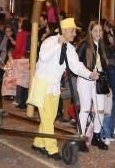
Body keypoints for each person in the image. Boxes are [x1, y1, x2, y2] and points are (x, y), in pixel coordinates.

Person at [27, 18, 98, 160]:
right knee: (47, 118)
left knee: (50, 118)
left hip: (54, 86)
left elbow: (76, 66)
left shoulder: (70, 49)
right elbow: (43, 57)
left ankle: (39, 142)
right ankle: (51, 148)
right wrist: (58, 45)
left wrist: (89, 74)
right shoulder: (50, 42)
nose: (74, 34)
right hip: (43, 84)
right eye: (72, 31)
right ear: (64, 31)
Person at [76, 21, 109, 151]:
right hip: (85, 80)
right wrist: (89, 73)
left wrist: (107, 85)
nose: (98, 33)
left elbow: (105, 67)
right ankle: (81, 138)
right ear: (90, 31)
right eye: (95, 30)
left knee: (100, 110)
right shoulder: (84, 45)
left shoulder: (102, 46)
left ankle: (96, 136)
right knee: (84, 109)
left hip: (99, 82)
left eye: (100, 31)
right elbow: (76, 63)